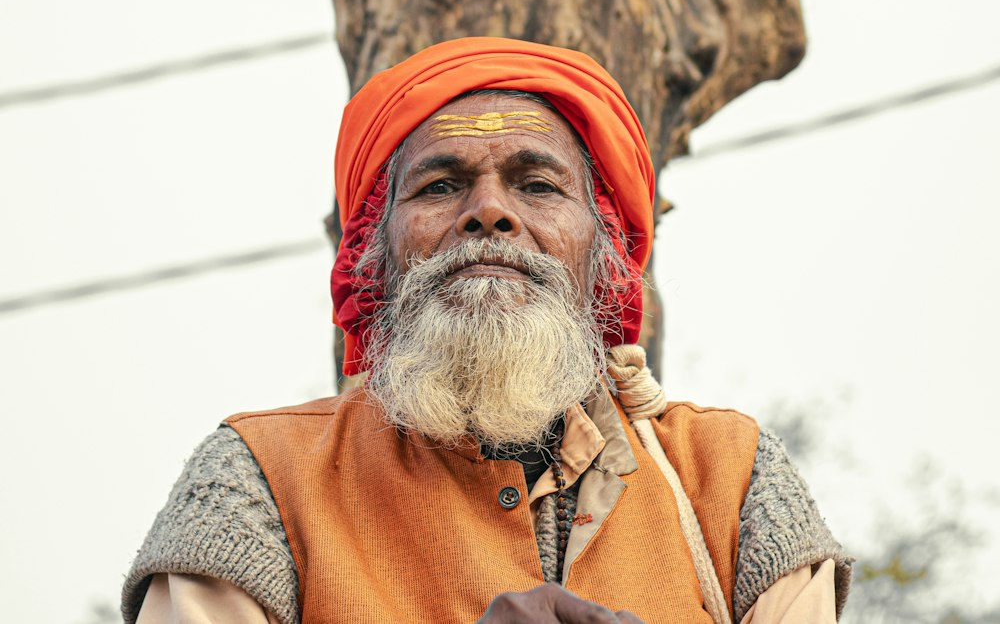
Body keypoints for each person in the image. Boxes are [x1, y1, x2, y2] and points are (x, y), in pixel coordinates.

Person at [123, 37, 851, 624]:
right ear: (374, 256)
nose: (490, 212)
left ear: (606, 259)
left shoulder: (730, 475)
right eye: (440, 186)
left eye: (537, 185)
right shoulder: (261, 478)